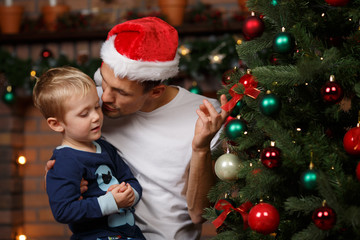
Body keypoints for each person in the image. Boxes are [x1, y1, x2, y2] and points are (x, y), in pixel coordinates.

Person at [46, 17, 229, 240]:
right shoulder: (95, 101)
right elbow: (68, 142)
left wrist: (200, 148)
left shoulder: (203, 117)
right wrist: (59, 173)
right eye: (104, 81)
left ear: (156, 92)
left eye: (121, 92)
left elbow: (199, 213)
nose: (105, 97)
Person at [34, 66, 145, 240]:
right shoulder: (65, 161)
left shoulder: (105, 147)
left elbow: (129, 179)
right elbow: (63, 211)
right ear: (57, 124)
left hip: (130, 234)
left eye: (96, 107)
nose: (95, 117)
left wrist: (130, 194)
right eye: (84, 114)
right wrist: (112, 202)